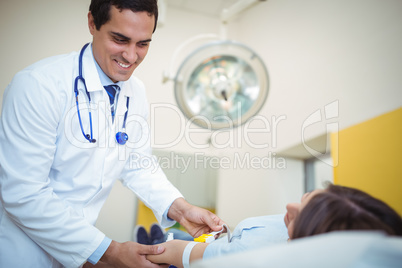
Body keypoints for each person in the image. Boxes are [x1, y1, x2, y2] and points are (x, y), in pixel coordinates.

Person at [0, 1, 223, 267]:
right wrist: (110, 251)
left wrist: (181, 209)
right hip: (20, 254)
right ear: (93, 23)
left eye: (143, 44)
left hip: (77, 253)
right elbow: (24, 193)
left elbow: (138, 164)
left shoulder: (135, 91)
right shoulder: (39, 86)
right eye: (120, 39)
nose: (131, 56)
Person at [146, 184, 402, 268]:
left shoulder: (248, 257)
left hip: (199, 248)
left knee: (168, 242)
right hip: (217, 239)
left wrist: (114, 253)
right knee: (185, 234)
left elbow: (177, 252)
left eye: (301, 215)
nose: (289, 207)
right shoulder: (290, 229)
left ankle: (156, 238)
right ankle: (160, 234)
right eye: (305, 199)